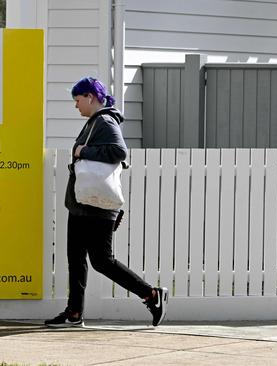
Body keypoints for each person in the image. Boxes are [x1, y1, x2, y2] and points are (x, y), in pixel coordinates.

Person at [44, 77, 168, 328]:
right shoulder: (94, 122)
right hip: (81, 204)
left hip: (97, 206)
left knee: (101, 261)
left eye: (78, 100)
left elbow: (119, 152)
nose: (76, 106)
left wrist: (82, 151)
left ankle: (152, 295)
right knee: (75, 259)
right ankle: (74, 312)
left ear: (90, 97)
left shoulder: (105, 120)